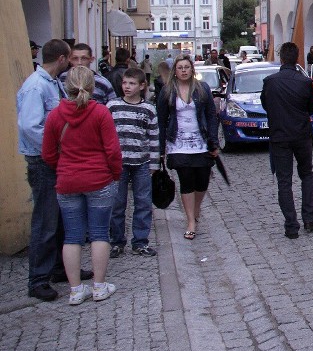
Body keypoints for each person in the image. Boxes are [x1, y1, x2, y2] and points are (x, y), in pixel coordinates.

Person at [41, 66, 122, 305]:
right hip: (99, 179)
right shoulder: (100, 113)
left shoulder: (55, 115)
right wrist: (115, 174)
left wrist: (63, 167)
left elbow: (47, 154)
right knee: (99, 233)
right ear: (92, 86)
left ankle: (76, 290)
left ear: (66, 87)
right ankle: (99, 286)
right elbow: (113, 150)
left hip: (67, 180)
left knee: (72, 236)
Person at [18, 39, 88, 302]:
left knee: (58, 219)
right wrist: (53, 149)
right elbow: (30, 126)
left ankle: (59, 268)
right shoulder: (36, 86)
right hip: (42, 161)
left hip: (52, 160)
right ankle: (37, 279)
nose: (70, 63)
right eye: (69, 58)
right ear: (61, 59)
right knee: (46, 221)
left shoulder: (52, 83)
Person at [260, 42, 313, 239]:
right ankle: (309, 218)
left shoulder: (270, 82)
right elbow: (310, 109)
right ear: (297, 59)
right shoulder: (304, 82)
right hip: (301, 135)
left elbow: (265, 105)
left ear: (281, 58)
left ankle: (291, 226)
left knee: (284, 181)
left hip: (279, 136)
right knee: (306, 175)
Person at [157, 55, 220, 241]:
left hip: (201, 142)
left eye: (186, 67)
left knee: (202, 181)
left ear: (192, 69)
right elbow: (161, 120)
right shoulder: (168, 91)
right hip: (178, 144)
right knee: (186, 180)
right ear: (175, 71)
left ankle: (196, 208)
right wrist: (161, 148)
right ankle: (191, 220)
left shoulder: (202, 88)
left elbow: (211, 115)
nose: (183, 70)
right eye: (180, 68)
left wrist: (214, 141)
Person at [107, 67, 159, 258]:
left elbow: (154, 137)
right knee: (117, 204)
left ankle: (140, 241)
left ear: (142, 86)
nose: (127, 87)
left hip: (142, 162)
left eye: (132, 83)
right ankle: (117, 241)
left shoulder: (148, 109)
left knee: (143, 203)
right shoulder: (112, 106)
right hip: (118, 163)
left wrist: (154, 164)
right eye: (125, 83)